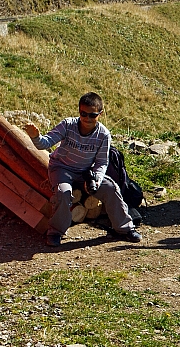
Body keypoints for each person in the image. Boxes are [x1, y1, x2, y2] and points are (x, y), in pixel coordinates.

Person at [24, 92, 141, 247]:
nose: (87, 119)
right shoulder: (68, 125)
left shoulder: (103, 134)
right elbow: (44, 144)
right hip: (61, 168)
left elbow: (101, 162)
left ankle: (125, 228)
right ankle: (55, 232)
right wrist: (36, 137)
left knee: (111, 187)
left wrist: (97, 180)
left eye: (92, 115)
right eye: (83, 114)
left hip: (85, 171)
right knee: (63, 193)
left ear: (100, 114)